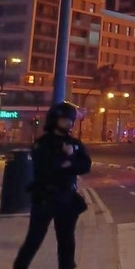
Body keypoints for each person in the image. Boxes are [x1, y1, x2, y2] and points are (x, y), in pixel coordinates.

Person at [14, 102, 92, 269]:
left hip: (67, 198)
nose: (69, 123)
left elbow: (85, 166)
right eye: (65, 120)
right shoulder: (43, 143)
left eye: (71, 120)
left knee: (66, 240)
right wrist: (68, 161)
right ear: (55, 119)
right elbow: (46, 168)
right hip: (45, 198)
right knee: (34, 239)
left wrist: (69, 159)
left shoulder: (74, 143)